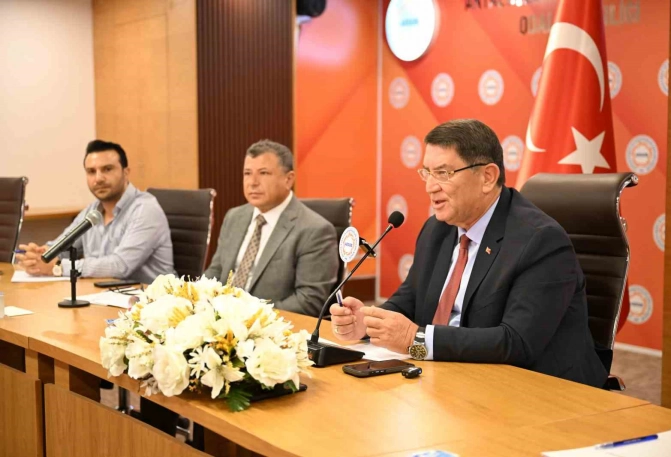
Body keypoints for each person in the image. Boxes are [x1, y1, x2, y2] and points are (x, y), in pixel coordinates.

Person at [331, 119, 608, 388]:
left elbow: (517, 342)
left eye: (443, 173)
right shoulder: (437, 229)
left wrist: (415, 340)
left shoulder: (540, 241)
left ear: (487, 177)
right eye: (427, 173)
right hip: (453, 378)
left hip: (541, 391)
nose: (430, 186)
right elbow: (410, 299)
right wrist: (367, 322)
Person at [204, 139, 339, 317]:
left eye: (264, 173)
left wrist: (249, 317)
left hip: (266, 325)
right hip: (219, 319)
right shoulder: (234, 217)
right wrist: (195, 299)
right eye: (247, 173)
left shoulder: (315, 230)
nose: (253, 182)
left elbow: (309, 301)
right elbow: (216, 272)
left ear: (288, 179)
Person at [16, 140, 174, 284]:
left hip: (152, 300)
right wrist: (38, 256)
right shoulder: (92, 211)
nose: (98, 178)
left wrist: (57, 267)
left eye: (107, 169)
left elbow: (121, 266)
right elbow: (62, 247)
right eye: (91, 171)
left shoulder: (145, 209)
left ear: (126, 173)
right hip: (104, 295)